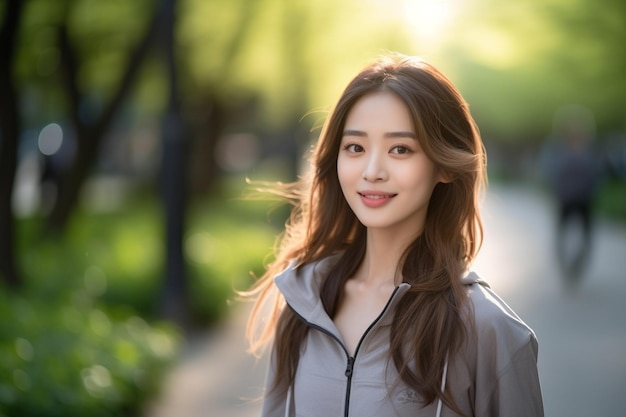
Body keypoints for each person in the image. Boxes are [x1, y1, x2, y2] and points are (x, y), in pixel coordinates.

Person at [245, 53, 544, 417]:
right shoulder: (304, 303)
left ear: (444, 166)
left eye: (400, 149)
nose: (372, 171)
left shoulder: (489, 331)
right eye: (355, 147)